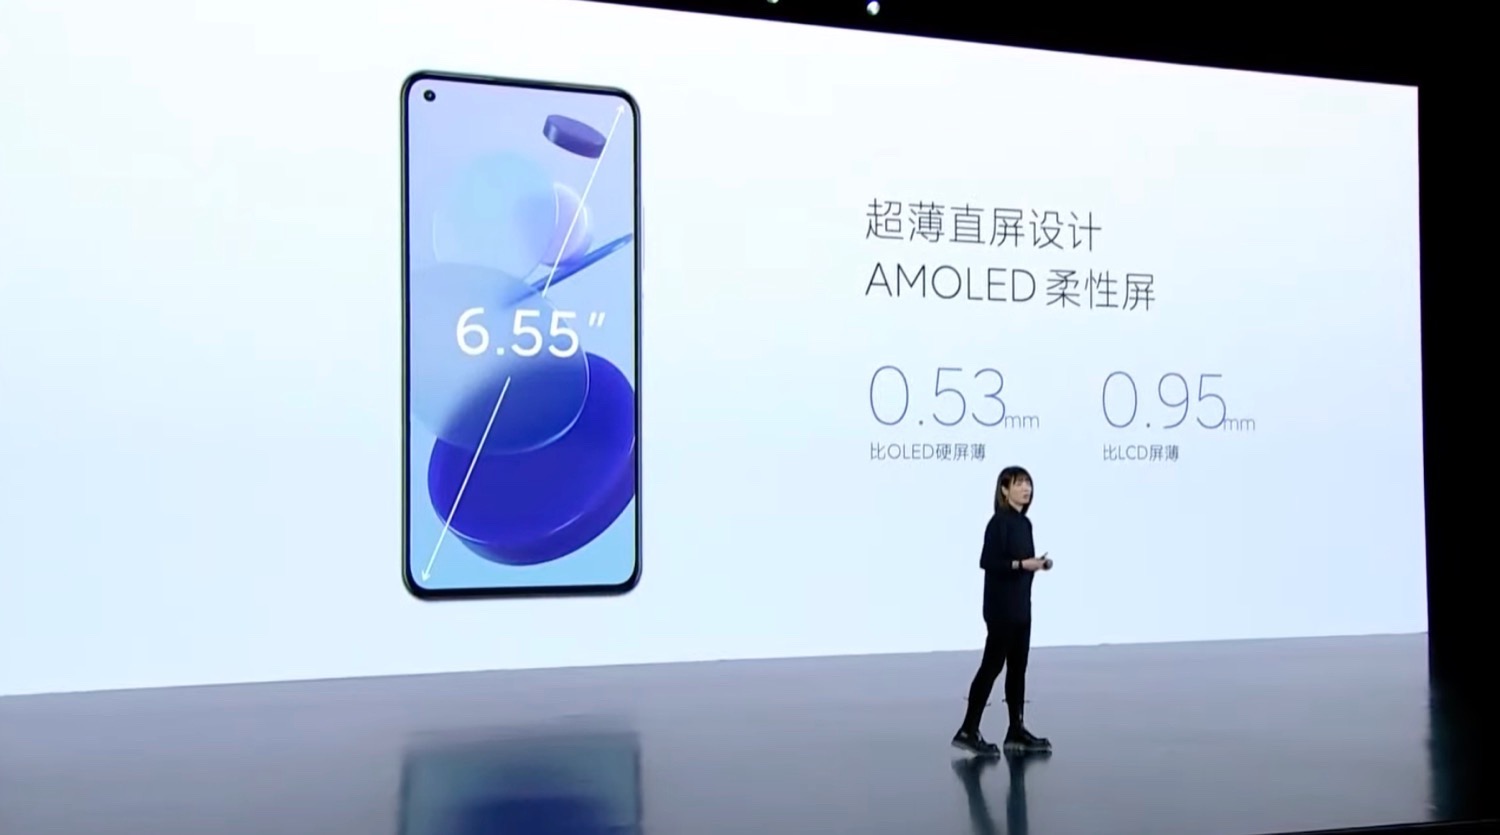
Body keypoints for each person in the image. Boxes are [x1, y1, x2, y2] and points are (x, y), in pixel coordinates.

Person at [952, 465, 1053, 756]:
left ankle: (1016, 730)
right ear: (1004, 490)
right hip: (1001, 608)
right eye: (1019, 484)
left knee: (1018, 669)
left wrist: (1036, 564)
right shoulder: (998, 523)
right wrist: (1022, 564)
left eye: (1028, 483)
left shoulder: (1025, 524)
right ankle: (968, 730)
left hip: (1021, 607)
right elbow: (988, 562)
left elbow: (1021, 563)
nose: (1026, 489)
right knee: (992, 665)